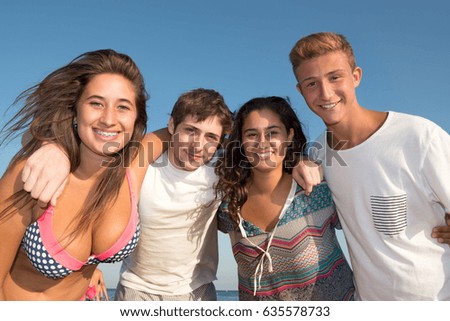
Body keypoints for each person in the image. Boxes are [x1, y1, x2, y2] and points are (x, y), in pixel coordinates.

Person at [289, 32, 450, 300]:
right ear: (300, 90)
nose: (325, 93)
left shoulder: (420, 136)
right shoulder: (318, 152)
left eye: (334, 77)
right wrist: (303, 160)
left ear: (356, 76)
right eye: (311, 83)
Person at [0, 49, 155, 300]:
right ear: (75, 110)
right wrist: (51, 142)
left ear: (137, 119)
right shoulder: (34, 174)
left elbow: (174, 134)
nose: (108, 119)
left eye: (123, 107)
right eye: (96, 103)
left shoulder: (130, 169)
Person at [214, 96, 355, 301]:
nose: (262, 143)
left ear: (289, 136)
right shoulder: (229, 205)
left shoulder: (316, 190)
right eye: (252, 134)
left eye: (272, 133)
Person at [114, 88, 233, 301]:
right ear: (171, 125)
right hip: (137, 288)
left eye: (210, 137)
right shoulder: (141, 164)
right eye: (190, 130)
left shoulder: (221, 170)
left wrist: (301, 162)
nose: (198, 145)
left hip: (197, 290)